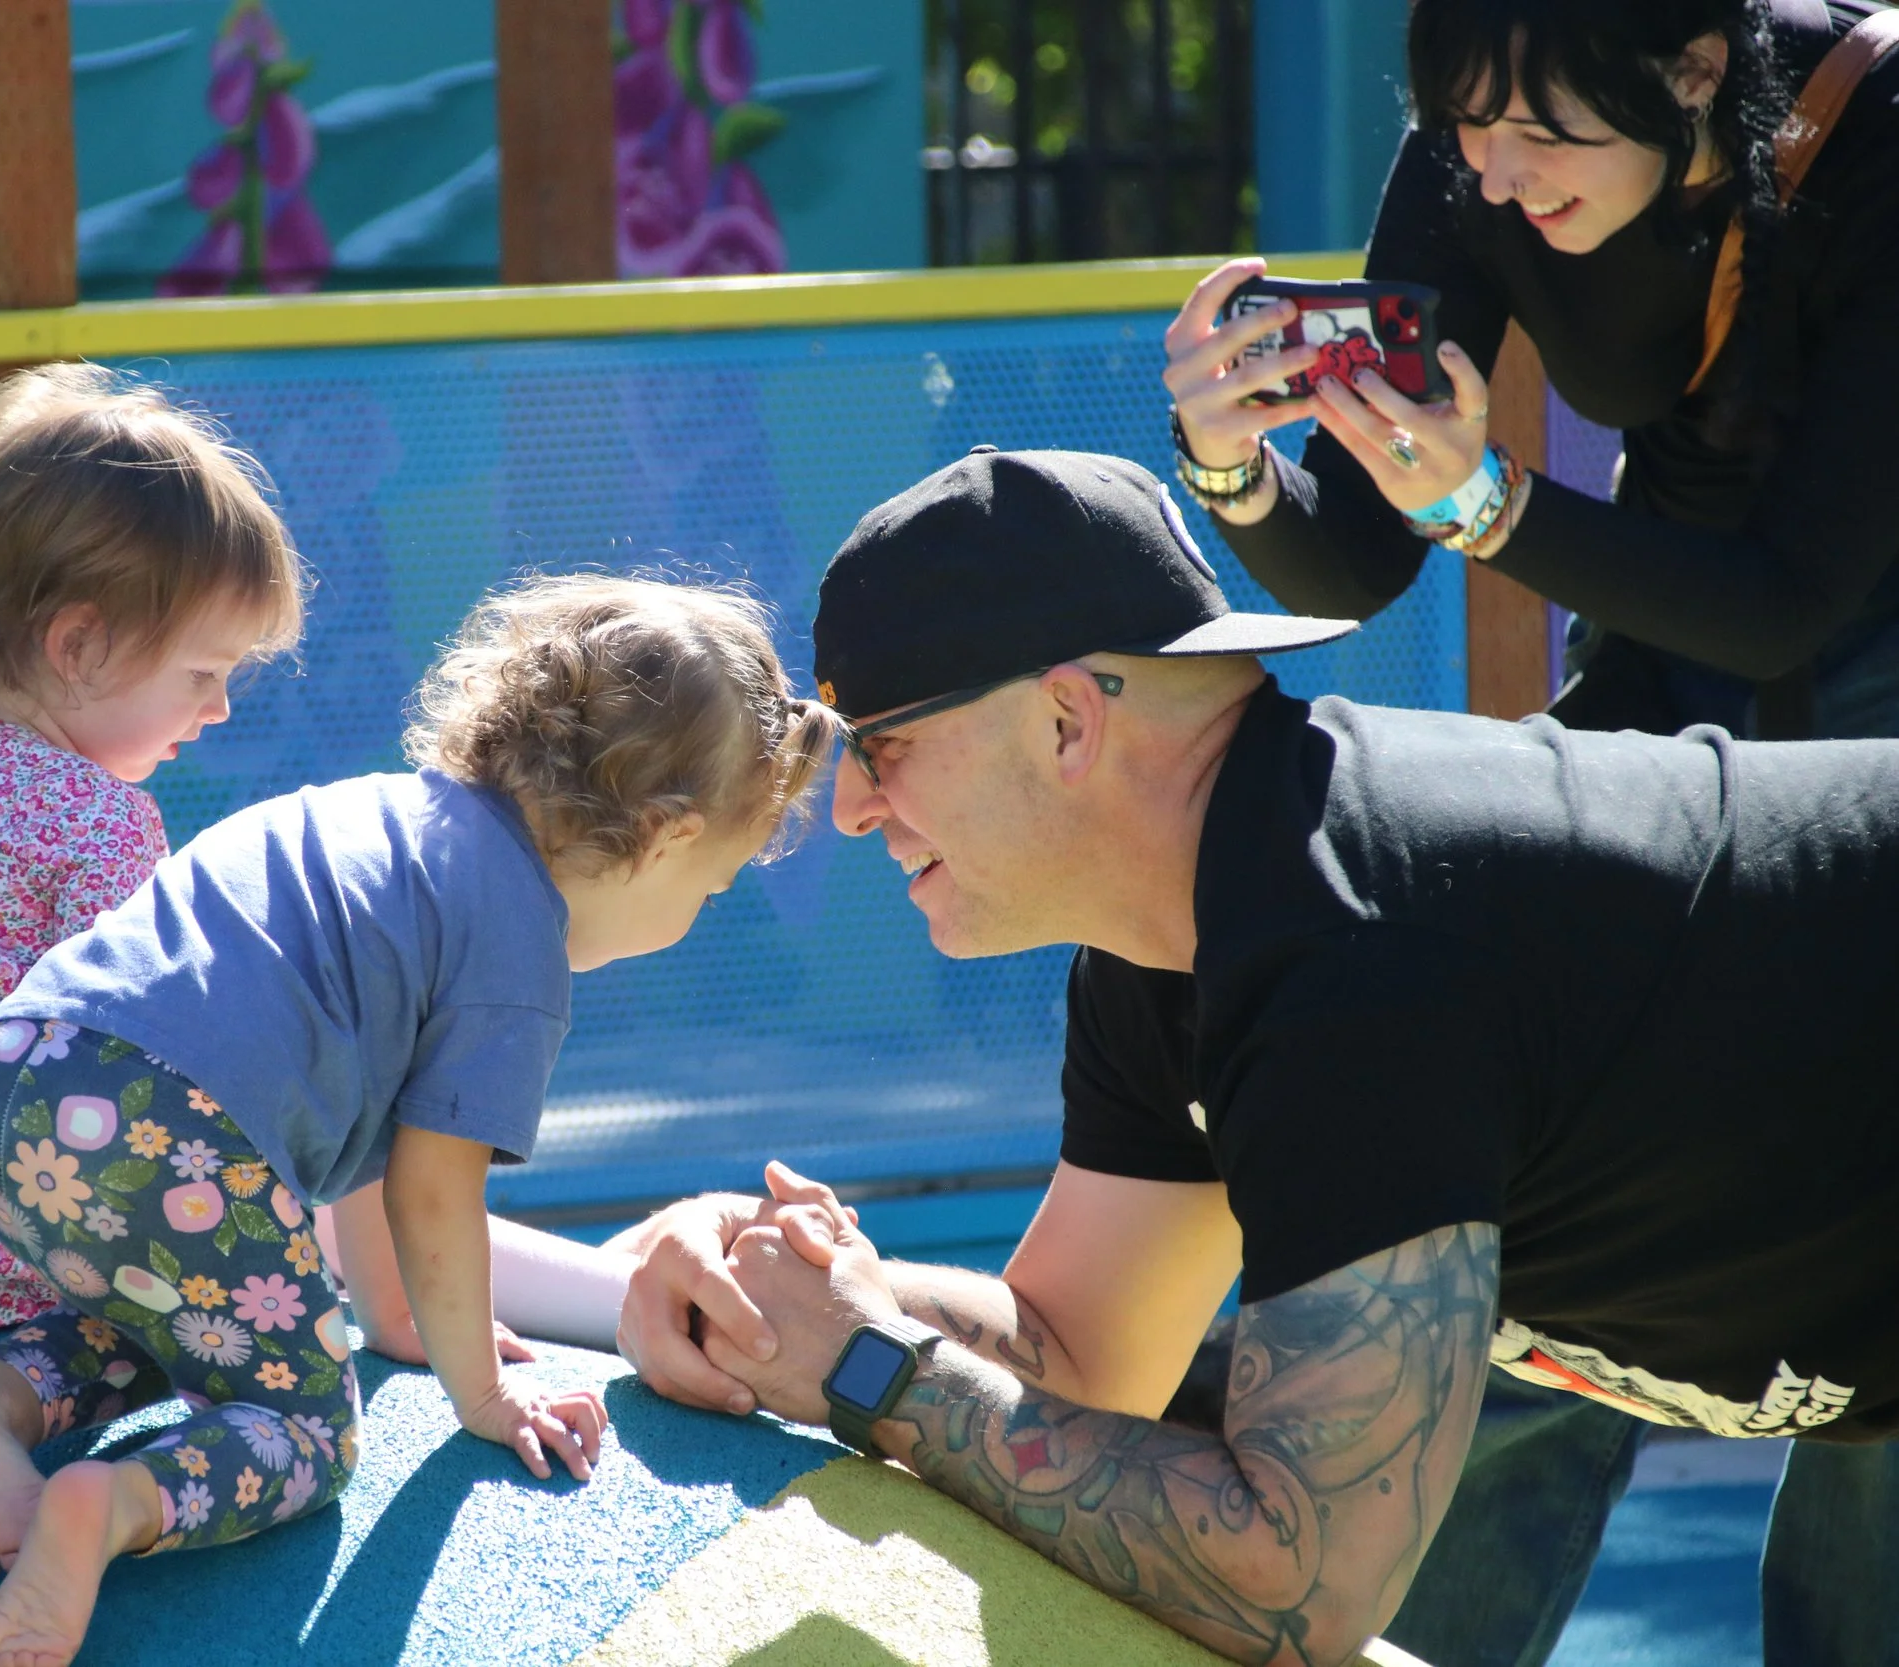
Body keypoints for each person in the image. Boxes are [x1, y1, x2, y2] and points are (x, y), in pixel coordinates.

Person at [616, 448, 1899, 1667]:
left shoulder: (1352, 944)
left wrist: (867, 1364)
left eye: (881, 744)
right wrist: (807, 1285)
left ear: (1066, 719)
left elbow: (1296, 1582)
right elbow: (1079, 1356)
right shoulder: (1172, 937)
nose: (847, 807)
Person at [0, 574, 838, 1667]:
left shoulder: (394, 821)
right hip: (166, 1118)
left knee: (196, 1314)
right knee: (306, 1425)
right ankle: (108, 1505)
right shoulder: (515, 946)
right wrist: (480, 1391)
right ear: (665, 836)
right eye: (714, 885)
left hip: (20, 1081)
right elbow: (430, 1187)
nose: (698, 912)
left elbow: (363, 1137)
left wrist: (394, 1317)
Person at [0, 362, 633, 1360]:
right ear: (79, 644)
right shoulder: (95, 821)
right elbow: (164, 1053)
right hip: (31, 1247)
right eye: (202, 672)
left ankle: (598, 1291)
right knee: (306, 1189)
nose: (220, 708)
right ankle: (603, 1302)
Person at [1164, 0, 1899, 741]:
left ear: (1696, 71)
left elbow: (1781, 605)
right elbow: (1356, 556)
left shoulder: (1877, 127)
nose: (1498, 179)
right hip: (1663, 650)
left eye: (1545, 132)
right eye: (1471, 118)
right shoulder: (1479, 135)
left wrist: (1484, 503)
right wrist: (1233, 468)